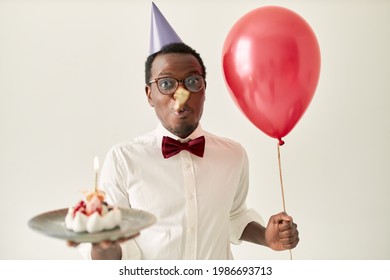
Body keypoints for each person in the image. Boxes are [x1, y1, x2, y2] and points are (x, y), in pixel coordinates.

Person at [72, 42, 299, 260]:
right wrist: (102, 243)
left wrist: (267, 237)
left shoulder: (233, 155)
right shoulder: (123, 159)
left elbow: (233, 215)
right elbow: (114, 246)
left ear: (204, 89)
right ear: (149, 94)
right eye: (167, 84)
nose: (181, 93)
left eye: (192, 81)